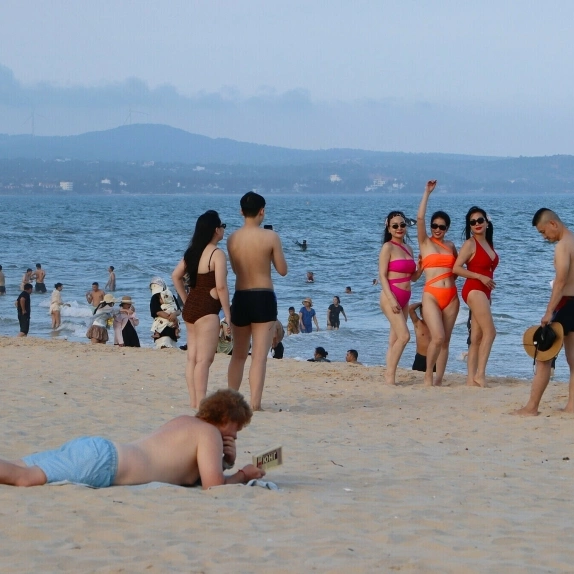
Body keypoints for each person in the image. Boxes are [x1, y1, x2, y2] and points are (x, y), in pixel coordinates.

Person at [0, 389, 265, 490]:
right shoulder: (209, 433)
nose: (235, 434)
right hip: (105, 463)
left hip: (99, 451)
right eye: (236, 427)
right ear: (224, 417)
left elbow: (188, 472)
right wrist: (244, 474)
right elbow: (213, 486)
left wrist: (226, 461)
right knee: (24, 477)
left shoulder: (186, 422)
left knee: (19, 465)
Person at [226, 192, 288, 411]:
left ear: (241, 211)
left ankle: (232, 401)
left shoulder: (232, 238)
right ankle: (255, 404)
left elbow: (236, 270)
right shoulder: (271, 237)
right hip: (263, 296)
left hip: (241, 295)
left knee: (238, 354)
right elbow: (282, 270)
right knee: (259, 357)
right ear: (262, 211)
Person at [513, 208, 574, 415]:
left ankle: (531, 407)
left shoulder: (563, 246)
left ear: (553, 224)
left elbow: (561, 281)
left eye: (543, 232)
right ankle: (571, 407)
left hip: (566, 304)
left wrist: (549, 312)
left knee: (543, 357)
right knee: (573, 360)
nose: (544, 237)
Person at [172, 210, 231, 408]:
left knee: (192, 358)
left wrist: (185, 299)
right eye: (222, 226)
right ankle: (201, 402)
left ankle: (193, 401)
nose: (223, 229)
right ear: (216, 230)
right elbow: (221, 287)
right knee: (205, 360)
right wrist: (228, 315)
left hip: (191, 308)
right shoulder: (217, 254)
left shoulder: (193, 252)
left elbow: (175, 276)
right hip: (207, 309)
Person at [417, 180, 459, 386]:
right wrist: (427, 193)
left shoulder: (451, 245)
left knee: (446, 341)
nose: (437, 229)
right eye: (434, 225)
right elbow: (420, 218)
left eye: (441, 227)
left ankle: (439, 379)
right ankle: (428, 374)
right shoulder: (425, 242)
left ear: (447, 228)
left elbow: (456, 269)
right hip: (431, 295)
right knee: (438, 337)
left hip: (451, 296)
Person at [453, 207, 498, 387]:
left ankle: (471, 380)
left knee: (477, 336)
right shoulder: (470, 244)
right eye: (473, 222)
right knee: (491, 332)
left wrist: (488, 295)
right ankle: (481, 375)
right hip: (473, 289)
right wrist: (479, 277)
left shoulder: (488, 242)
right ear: (469, 226)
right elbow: (456, 268)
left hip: (484, 292)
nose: (477, 224)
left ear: (487, 222)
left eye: (480, 220)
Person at [379, 210, 422, 385]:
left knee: (394, 339)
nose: (399, 228)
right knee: (404, 336)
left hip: (405, 298)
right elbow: (382, 276)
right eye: (395, 225)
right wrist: (391, 299)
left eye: (402, 225)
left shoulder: (408, 248)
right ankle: (390, 375)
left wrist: (421, 267)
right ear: (389, 228)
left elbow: (413, 278)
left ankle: (389, 376)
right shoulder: (387, 247)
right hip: (391, 296)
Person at [149, 277, 181, 349]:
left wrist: (174, 314)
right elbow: (158, 312)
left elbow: (178, 310)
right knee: (164, 343)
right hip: (163, 328)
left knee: (171, 343)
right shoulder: (155, 298)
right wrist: (173, 318)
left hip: (171, 325)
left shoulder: (171, 296)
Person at [408, 302, 436, 373]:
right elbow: (410, 308)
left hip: (434, 358)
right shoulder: (418, 323)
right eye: (425, 313)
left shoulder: (436, 326)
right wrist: (423, 302)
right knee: (417, 376)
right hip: (420, 357)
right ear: (421, 314)